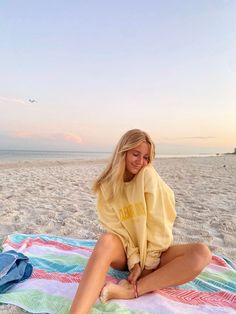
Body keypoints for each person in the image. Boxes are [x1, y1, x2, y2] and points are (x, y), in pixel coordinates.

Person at [69, 129, 212, 314]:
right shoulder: (107, 187)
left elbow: (159, 225)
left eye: (145, 157)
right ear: (123, 152)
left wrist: (149, 265)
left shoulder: (148, 176)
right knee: (106, 240)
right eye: (136, 154)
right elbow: (119, 230)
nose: (140, 161)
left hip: (156, 253)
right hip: (127, 254)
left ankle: (131, 291)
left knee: (202, 253)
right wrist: (135, 262)